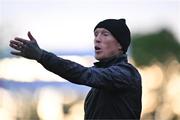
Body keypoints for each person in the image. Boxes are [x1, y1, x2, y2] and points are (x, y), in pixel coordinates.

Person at [9, 18, 142, 119]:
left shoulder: (126, 74)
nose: (97, 39)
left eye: (105, 34)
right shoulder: (99, 84)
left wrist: (41, 56)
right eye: (96, 34)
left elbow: (82, 74)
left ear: (120, 44)